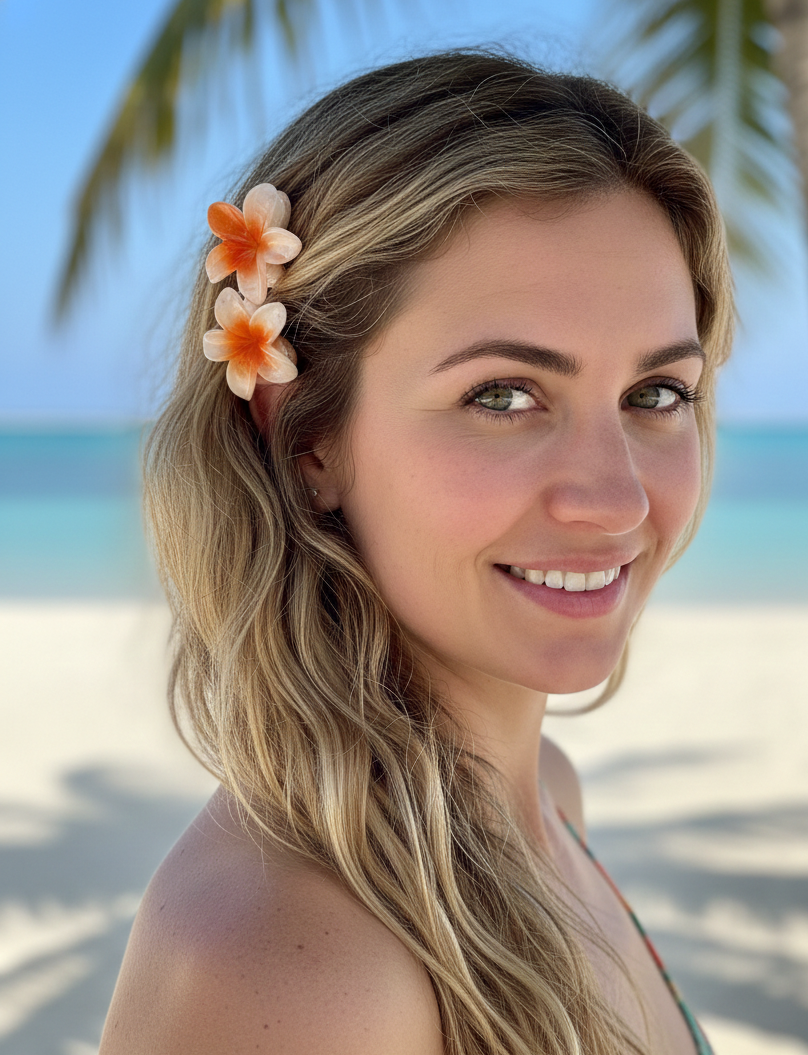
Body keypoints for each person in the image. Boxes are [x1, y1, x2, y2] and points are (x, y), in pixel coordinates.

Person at [99, 50, 732, 1055]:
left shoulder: (546, 796)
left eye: (655, 394)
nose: (613, 500)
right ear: (307, 439)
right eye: (503, 395)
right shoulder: (291, 964)